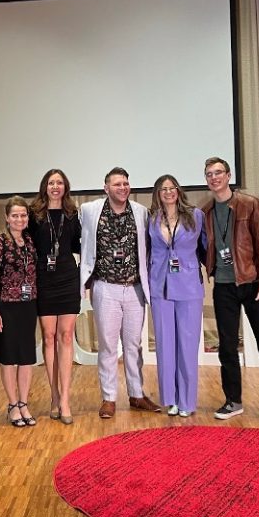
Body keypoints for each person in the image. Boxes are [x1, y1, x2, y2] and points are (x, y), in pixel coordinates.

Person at [201, 157, 259, 425]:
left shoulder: (250, 204)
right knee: (227, 347)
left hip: (252, 284)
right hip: (223, 286)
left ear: (228, 175)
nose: (214, 177)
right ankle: (233, 401)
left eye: (218, 172)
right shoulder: (205, 210)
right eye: (209, 174)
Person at [80, 167, 160, 418]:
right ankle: (109, 398)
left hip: (135, 288)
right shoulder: (89, 211)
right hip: (105, 288)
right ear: (106, 188)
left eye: (125, 183)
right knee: (107, 346)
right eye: (117, 184)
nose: (123, 188)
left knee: (133, 345)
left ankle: (136, 394)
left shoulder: (141, 212)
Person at [148, 174, 206, 417]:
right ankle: (170, 399)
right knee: (164, 345)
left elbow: (205, 247)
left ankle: (187, 401)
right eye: (163, 189)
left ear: (179, 191)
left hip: (189, 286)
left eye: (172, 188)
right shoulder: (151, 219)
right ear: (158, 194)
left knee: (188, 346)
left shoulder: (196, 216)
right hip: (160, 286)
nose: (169, 192)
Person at [28, 169, 81, 425]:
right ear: (44, 187)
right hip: (44, 279)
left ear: (65, 187)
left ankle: (66, 400)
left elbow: (79, 245)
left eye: (60, 182)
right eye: (51, 182)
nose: (55, 186)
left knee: (66, 336)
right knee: (48, 337)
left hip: (68, 277)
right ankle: (53, 395)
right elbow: (28, 246)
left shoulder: (72, 214)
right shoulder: (34, 214)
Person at [0, 196, 38, 427]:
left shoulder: (30, 241)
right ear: (7, 218)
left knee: (26, 357)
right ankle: (12, 404)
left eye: (23, 215)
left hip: (28, 305)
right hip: (6, 307)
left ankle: (24, 403)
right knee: (9, 359)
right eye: (15, 215)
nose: (20, 219)